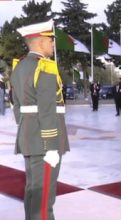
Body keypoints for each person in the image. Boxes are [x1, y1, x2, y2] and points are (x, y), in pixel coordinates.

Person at [10, 19, 70, 220]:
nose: (53, 45)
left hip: (29, 137)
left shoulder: (18, 67)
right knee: (44, 198)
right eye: (50, 41)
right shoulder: (45, 66)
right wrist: (51, 145)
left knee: (33, 191)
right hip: (46, 142)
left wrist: (27, 129)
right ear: (41, 41)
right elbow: (47, 108)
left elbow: (15, 105)